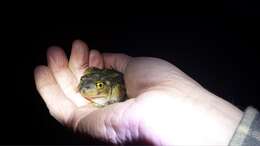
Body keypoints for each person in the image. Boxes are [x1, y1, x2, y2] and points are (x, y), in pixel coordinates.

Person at [34, 40, 259, 145]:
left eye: (98, 87)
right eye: (85, 83)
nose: (86, 89)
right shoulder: (91, 82)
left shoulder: (118, 88)